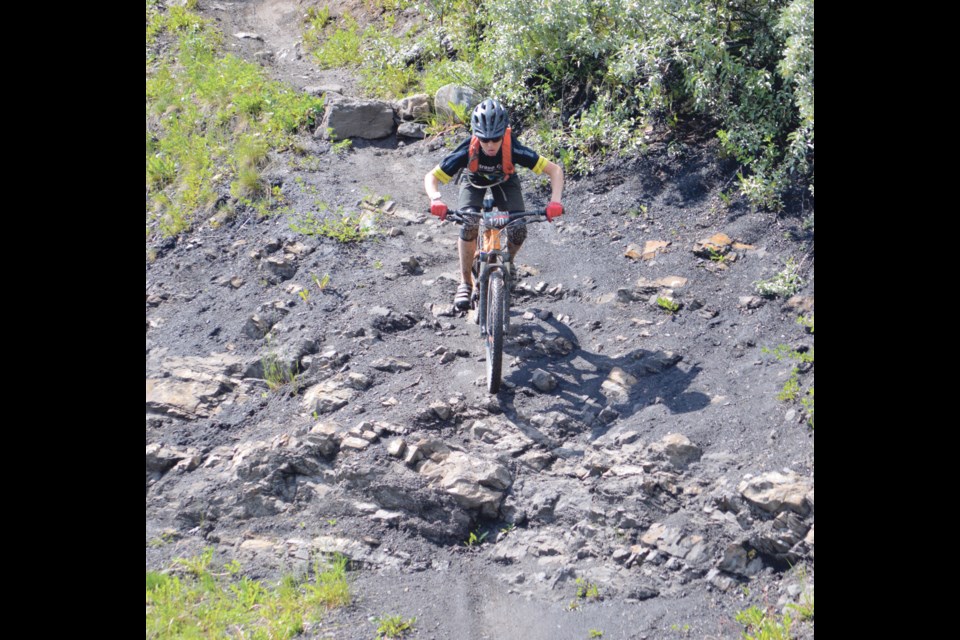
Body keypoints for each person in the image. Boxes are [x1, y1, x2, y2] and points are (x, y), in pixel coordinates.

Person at [423, 98, 565, 310]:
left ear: (504, 133)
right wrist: (435, 198)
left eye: (496, 139)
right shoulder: (466, 150)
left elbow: (555, 171)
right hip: (473, 181)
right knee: (469, 222)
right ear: (476, 135)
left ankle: (508, 262)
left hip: (505, 182)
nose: (490, 145)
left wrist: (555, 201)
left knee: (518, 228)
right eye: (484, 139)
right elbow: (431, 177)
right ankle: (465, 282)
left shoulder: (514, 148)